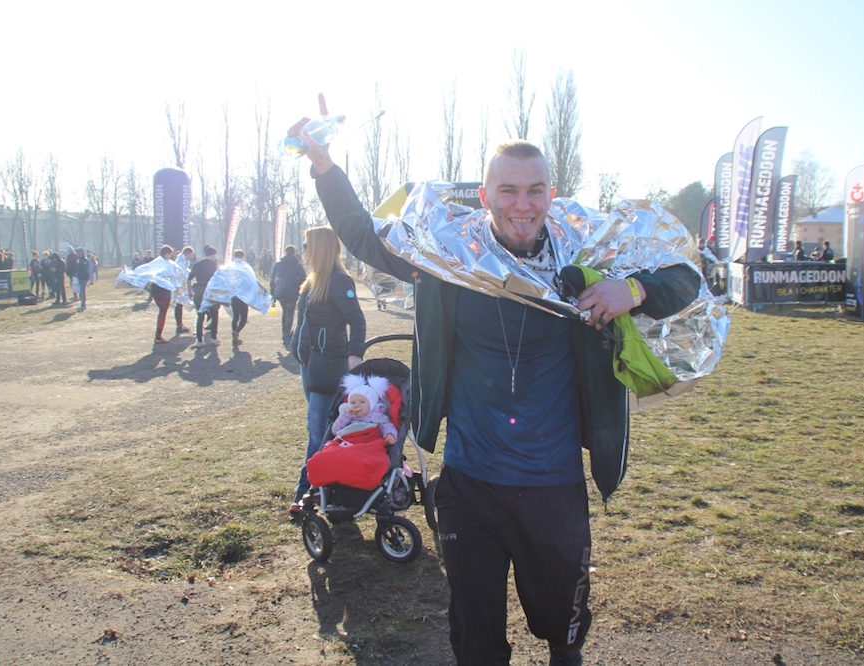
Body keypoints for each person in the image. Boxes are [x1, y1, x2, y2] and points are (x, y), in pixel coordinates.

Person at [290, 95, 700, 666]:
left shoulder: (583, 252)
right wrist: (324, 165)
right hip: (470, 483)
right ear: (485, 197)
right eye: (507, 190)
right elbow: (361, 233)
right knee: (476, 641)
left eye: (535, 190)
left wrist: (631, 290)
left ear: (552, 195)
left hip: (553, 485)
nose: (522, 205)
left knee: (564, 636)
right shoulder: (449, 258)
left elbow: (686, 275)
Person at [290, 225, 366, 511]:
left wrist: (354, 354)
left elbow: (357, 319)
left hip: (328, 366)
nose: (303, 251)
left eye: (307, 245)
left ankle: (306, 491)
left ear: (319, 248)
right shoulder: (312, 281)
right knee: (322, 429)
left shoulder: (338, 281)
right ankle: (329, 487)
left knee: (318, 430)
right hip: (309, 365)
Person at [271, 244, 307, 345]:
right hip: (292, 292)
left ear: (285, 252)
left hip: (280, 291)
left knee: (285, 312)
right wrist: (301, 290)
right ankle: (286, 335)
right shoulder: (297, 265)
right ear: (294, 253)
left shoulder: (278, 264)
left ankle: (284, 332)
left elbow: (272, 279)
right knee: (290, 314)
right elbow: (303, 279)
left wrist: (273, 292)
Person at [188, 246, 222, 348]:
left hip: (199, 291)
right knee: (214, 315)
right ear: (213, 255)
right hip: (211, 292)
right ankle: (213, 337)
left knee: (200, 316)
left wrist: (190, 291)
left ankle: (199, 340)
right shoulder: (215, 265)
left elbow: (189, 279)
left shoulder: (196, 264)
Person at [150, 245, 182, 343]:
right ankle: (158, 336)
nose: (171, 256)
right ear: (167, 254)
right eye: (170, 254)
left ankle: (158, 336)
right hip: (163, 289)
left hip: (155, 288)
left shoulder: (156, 261)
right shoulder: (168, 264)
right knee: (163, 312)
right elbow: (174, 275)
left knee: (162, 311)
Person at [229, 249, 252, 346]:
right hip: (243, 295)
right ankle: (237, 331)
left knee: (235, 316)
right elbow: (251, 280)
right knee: (243, 318)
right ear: (243, 257)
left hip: (234, 295)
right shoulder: (245, 267)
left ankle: (235, 336)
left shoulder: (230, 267)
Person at [173, 246, 194, 334]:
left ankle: (180, 324)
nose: (190, 257)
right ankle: (179, 325)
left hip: (182, 285)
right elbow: (181, 273)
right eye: (190, 255)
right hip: (179, 286)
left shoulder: (184, 261)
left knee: (180, 305)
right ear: (186, 253)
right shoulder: (180, 261)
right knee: (178, 305)